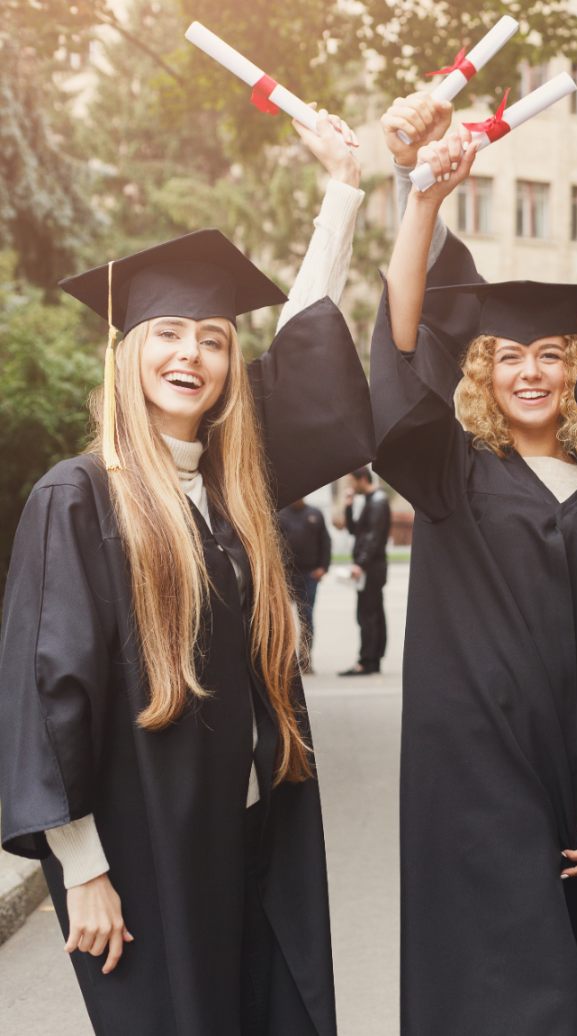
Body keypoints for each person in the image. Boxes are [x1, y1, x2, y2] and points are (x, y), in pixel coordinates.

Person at [0, 112, 372, 1035]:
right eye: (167, 332)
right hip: (145, 849)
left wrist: (344, 192)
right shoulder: (79, 496)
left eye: (211, 338)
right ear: (127, 354)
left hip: (253, 833)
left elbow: (306, 346)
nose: (191, 355)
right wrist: (80, 871)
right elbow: (49, 694)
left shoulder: (232, 489)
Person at [375, 119, 577, 1036]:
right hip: (478, 784)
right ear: (483, 374)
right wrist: (421, 200)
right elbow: (401, 353)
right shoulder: (449, 471)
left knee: (572, 977)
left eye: (551, 356)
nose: (531, 372)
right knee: (519, 1000)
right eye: (510, 358)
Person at [339, 467, 389, 676]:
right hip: (372, 566)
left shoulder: (377, 501)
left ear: (362, 479)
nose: (352, 487)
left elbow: (373, 538)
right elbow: (354, 530)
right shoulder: (371, 500)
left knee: (367, 615)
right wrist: (348, 507)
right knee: (372, 613)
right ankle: (373, 659)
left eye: (353, 482)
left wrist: (360, 563)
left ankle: (367, 661)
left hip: (371, 568)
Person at [277, 498, 331, 673]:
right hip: (287, 575)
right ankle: (284, 662)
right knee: (283, 620)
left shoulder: (315, 514)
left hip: (309, 575)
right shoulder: (281, 514)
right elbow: (274, 544)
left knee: (306, 618)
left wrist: (323, 567)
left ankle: (306, 660)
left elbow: (325, 542)